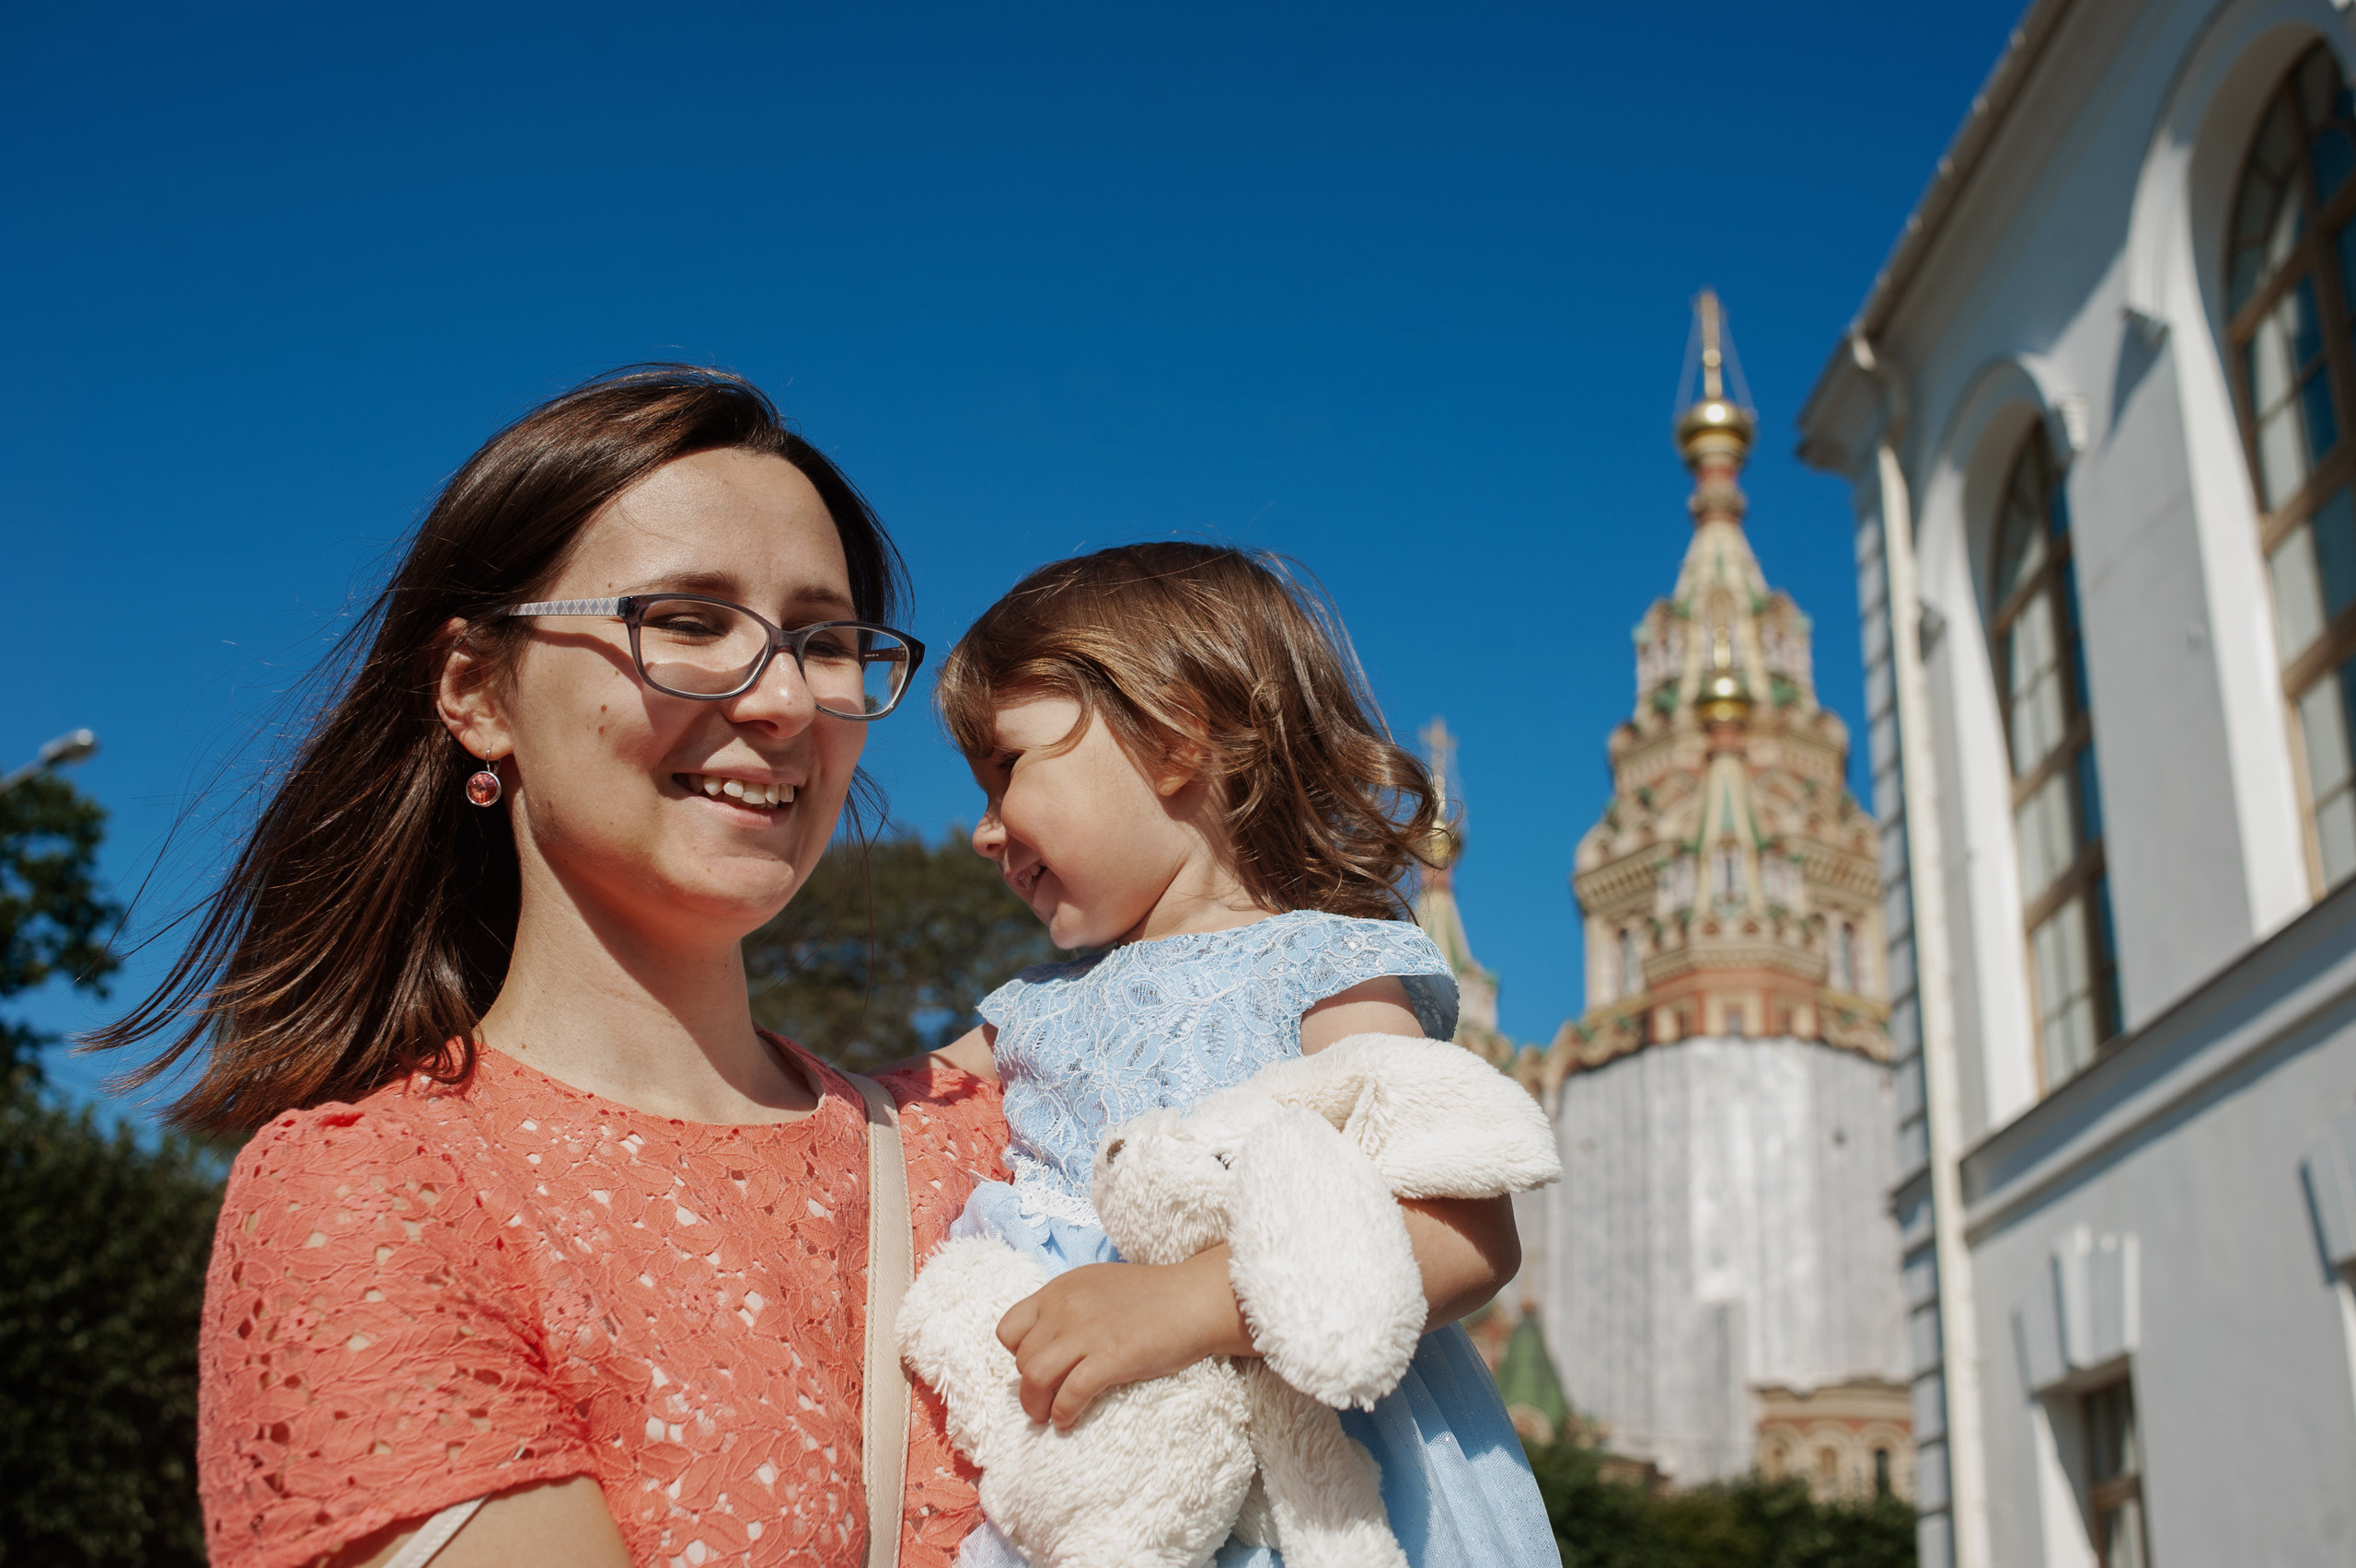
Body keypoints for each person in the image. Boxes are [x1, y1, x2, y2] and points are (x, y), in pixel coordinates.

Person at [92, 368, 1005, 1568]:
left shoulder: (987, 1138)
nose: (785, 699)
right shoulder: (376, 1196)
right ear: (476, 691)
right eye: (685, 622)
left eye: (825, 642)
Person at [924, 542, 1556, 1567]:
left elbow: (1463, 1228)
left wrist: (1182, 1304)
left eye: (1006, 769)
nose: (984, 832)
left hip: (1310, 1477)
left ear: (1176, 739)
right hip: (1084, 1472)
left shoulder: (1327, 968)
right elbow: (877, 1112)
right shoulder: (1026, 1013)